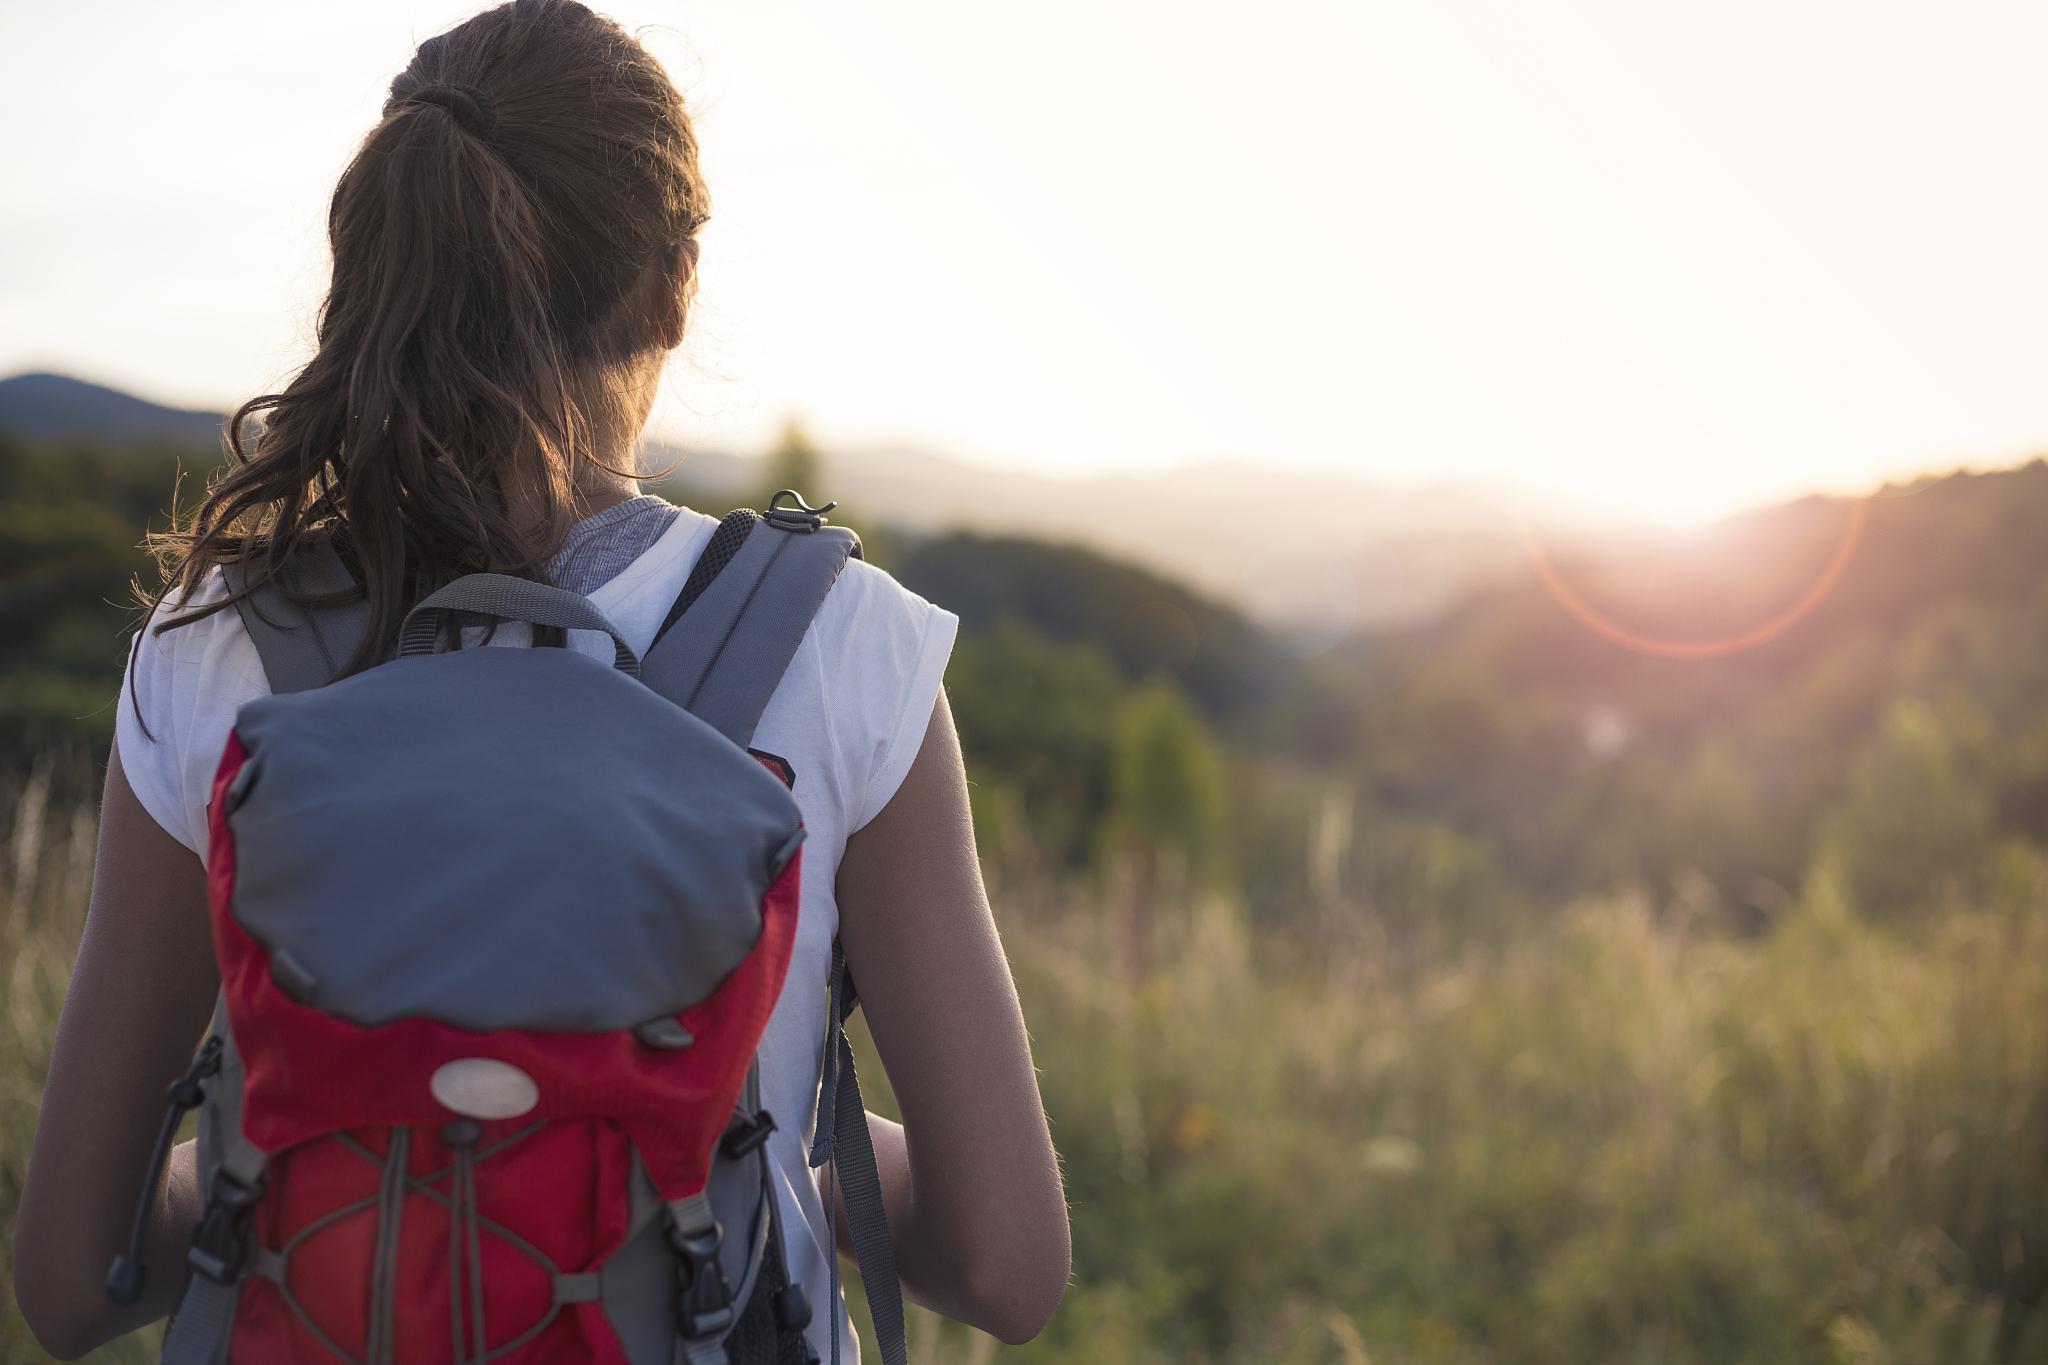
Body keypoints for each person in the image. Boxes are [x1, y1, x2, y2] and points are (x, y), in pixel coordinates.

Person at [10, 2, 1071, 1358]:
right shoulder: (843, 648)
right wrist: (721, 1160)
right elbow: (1007, 1262)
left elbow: (68, 1277)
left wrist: (313, 1169)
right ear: (677, 283)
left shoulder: (216, 647)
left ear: (384, 257)